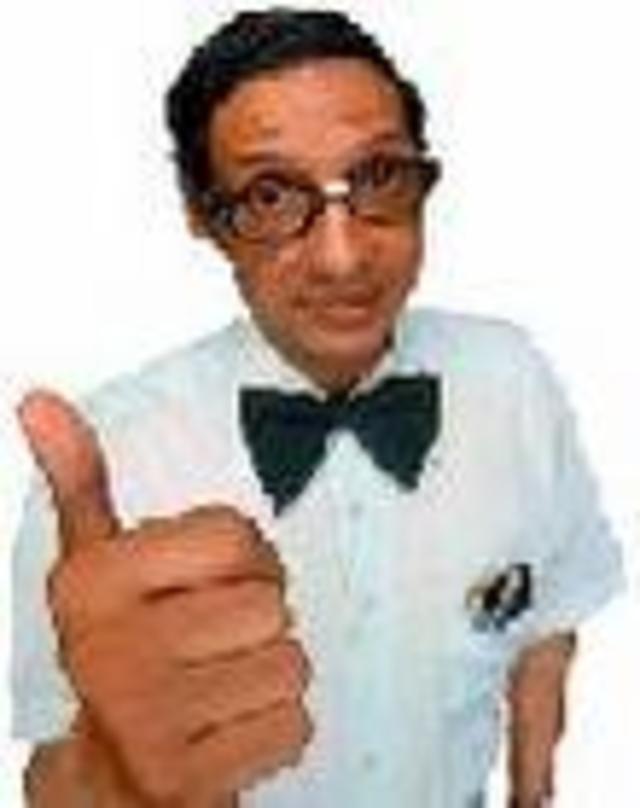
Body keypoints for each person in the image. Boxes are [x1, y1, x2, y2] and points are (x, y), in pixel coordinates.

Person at [12, 8, 622, 808]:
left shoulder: (514, 378)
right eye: (270, 195)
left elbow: (549, 617)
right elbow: (54, 768)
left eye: (379, 177)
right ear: (202, 214)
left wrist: (532, 793)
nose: (343, 258)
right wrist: (104, 779)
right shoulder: (113, 453)